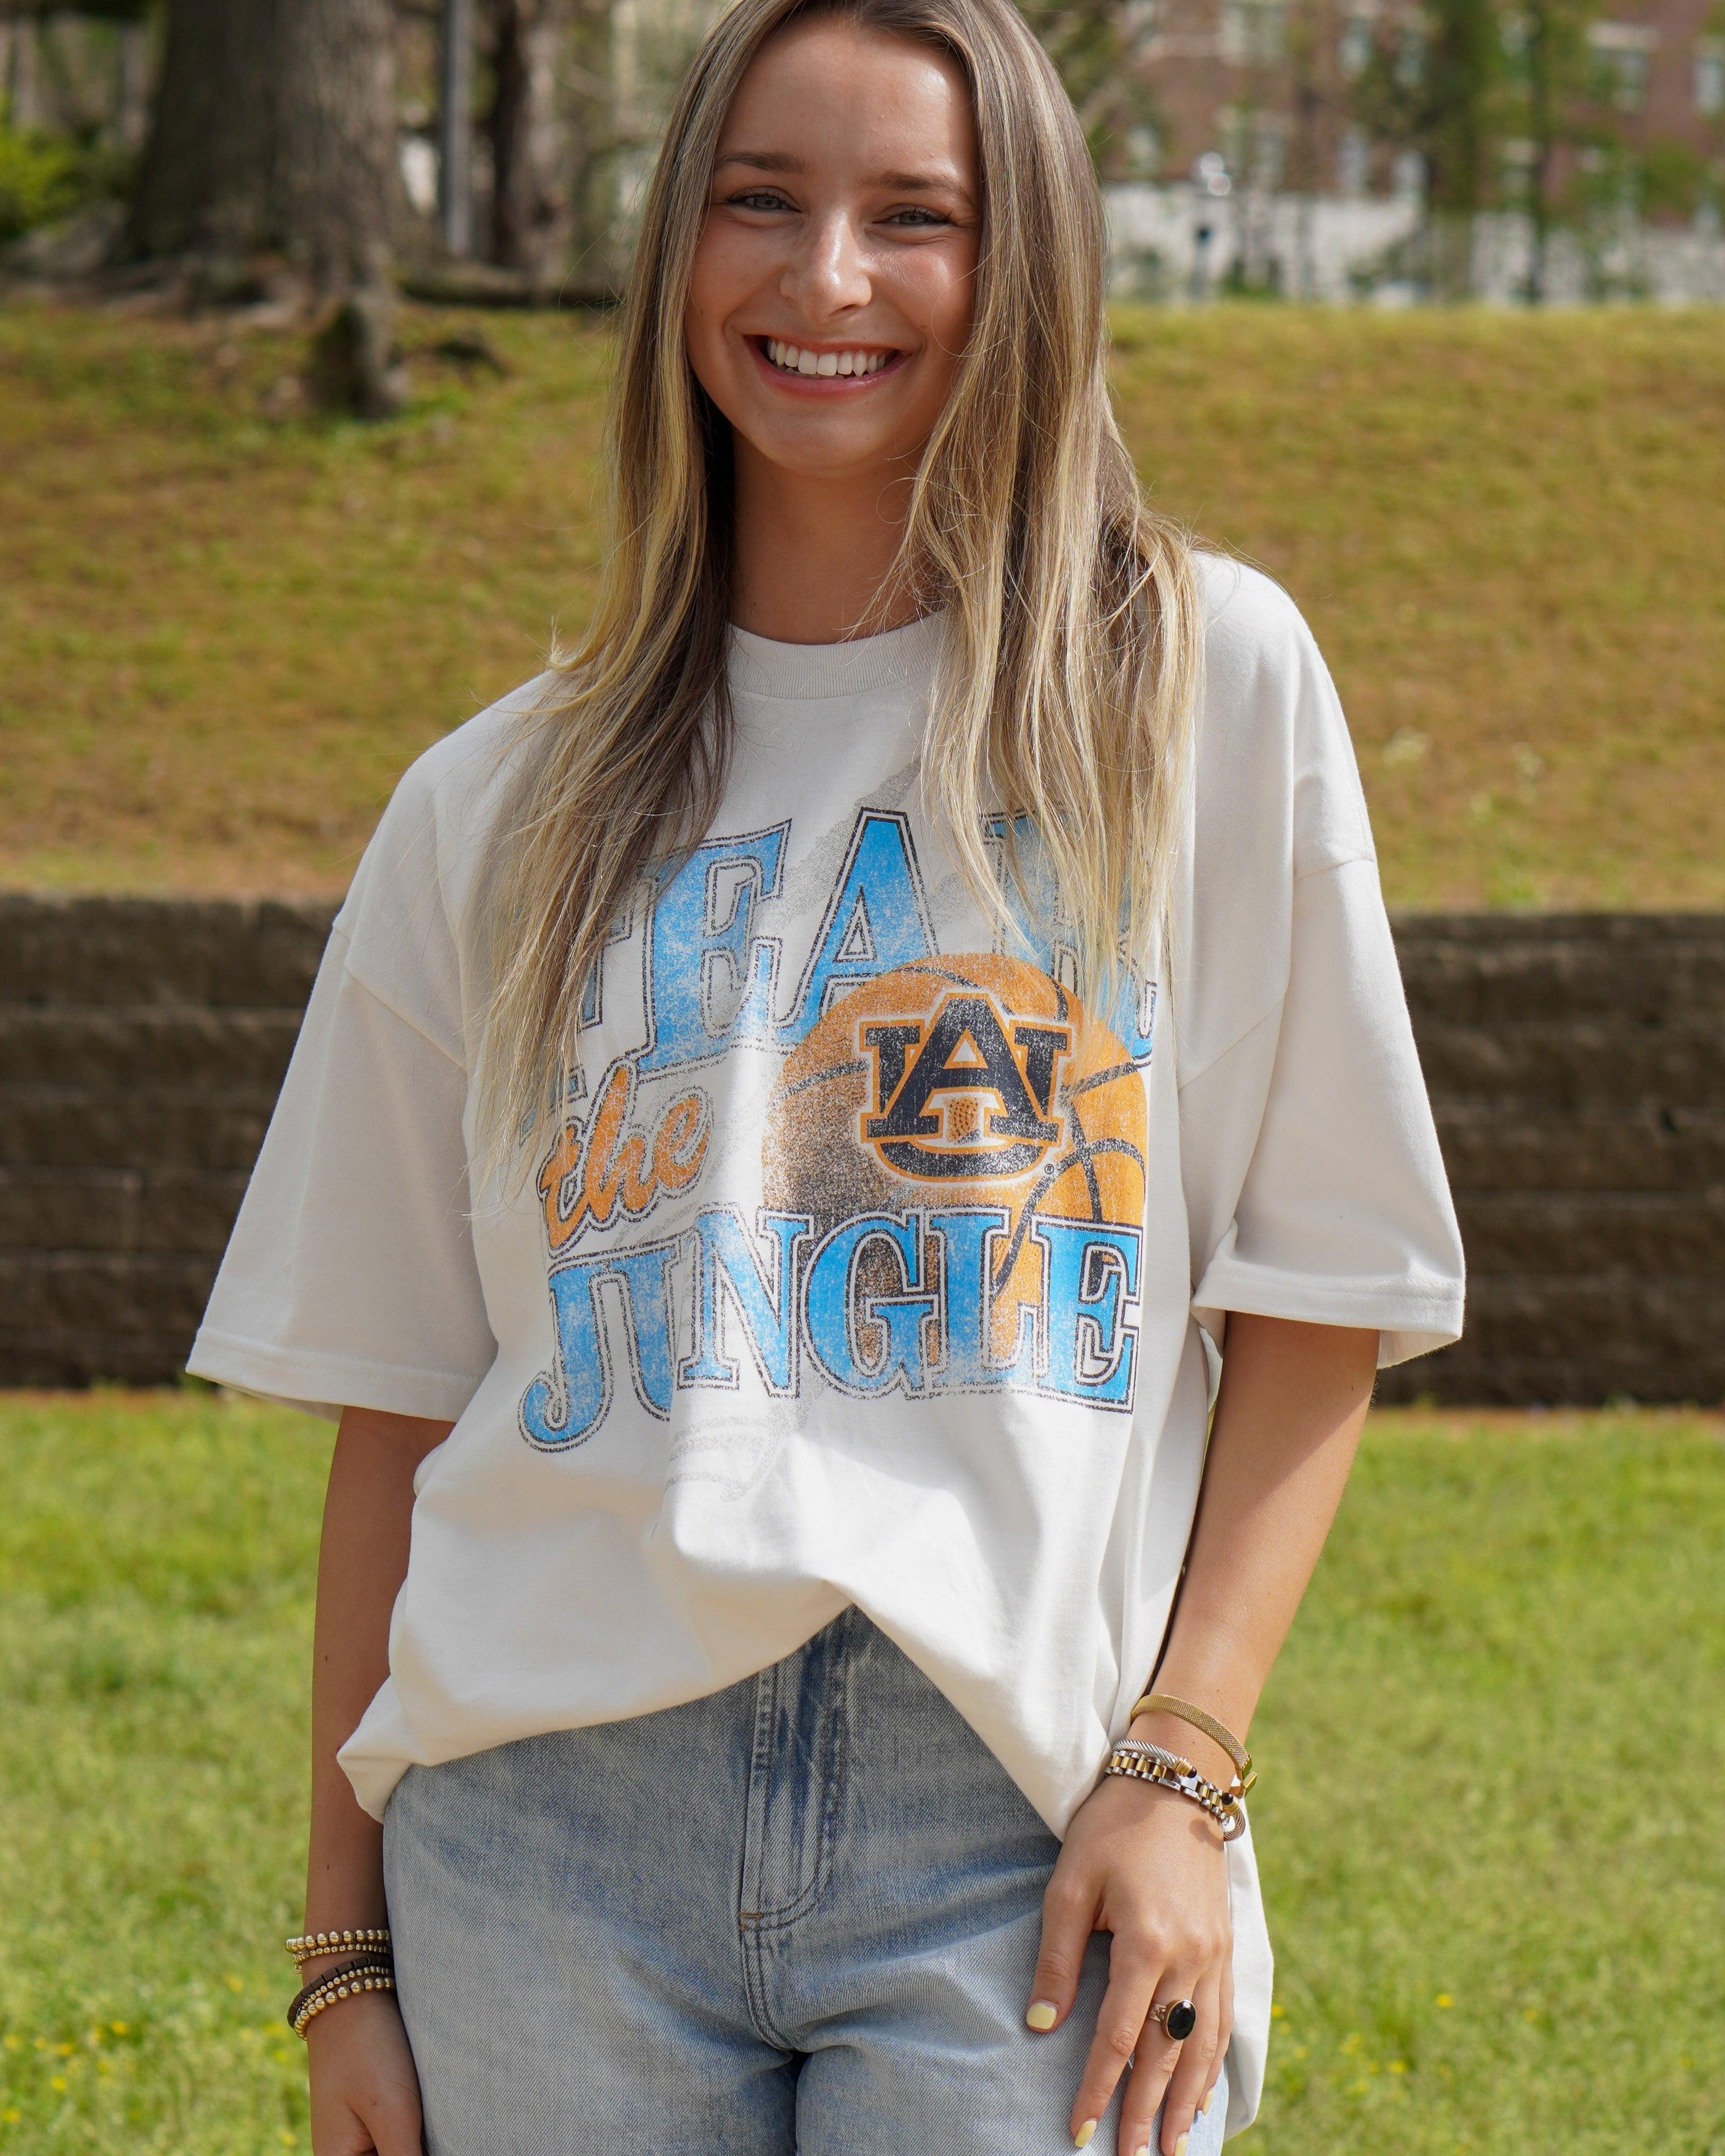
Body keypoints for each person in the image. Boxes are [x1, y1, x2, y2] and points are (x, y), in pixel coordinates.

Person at [189, 0, 1464, 2150]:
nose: (827, 279)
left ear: (1031, 259)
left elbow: (1323, 1283)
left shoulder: (1197, 691)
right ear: (677, 245)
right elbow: (397, 1409)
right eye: (758, 202)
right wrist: (347, 1956)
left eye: (917, 217)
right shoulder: (495, 800)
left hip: (1018, 1822)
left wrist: (1186, 1761)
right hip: (546, 1833)